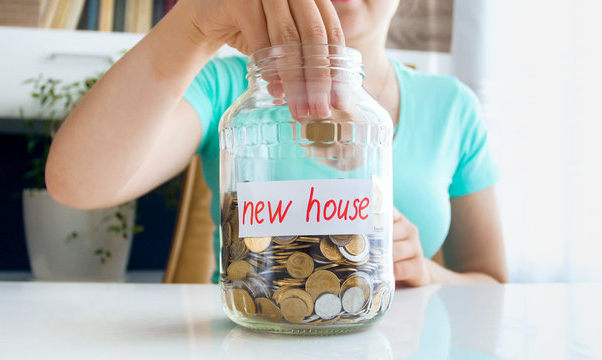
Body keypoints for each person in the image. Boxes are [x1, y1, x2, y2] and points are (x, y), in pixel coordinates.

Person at [46, 0, 508, 286]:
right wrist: (193, 25)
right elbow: (78, 183)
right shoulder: (227, 89)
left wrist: (426, 273)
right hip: (251, 338)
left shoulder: (452, 106)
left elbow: (491, 284)